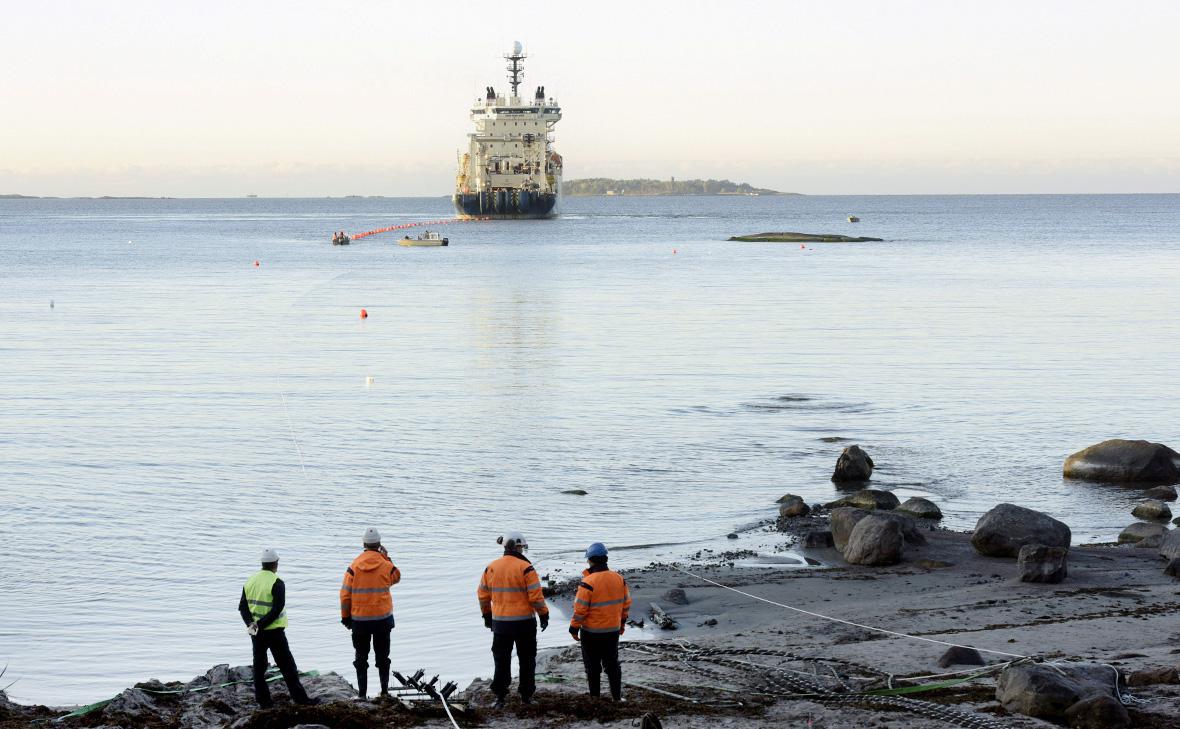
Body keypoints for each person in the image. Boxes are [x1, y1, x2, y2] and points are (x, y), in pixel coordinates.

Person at [238, 548, 319, 708]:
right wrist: (259, 624)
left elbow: (242, 607)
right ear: (275, 564)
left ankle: (264, 702)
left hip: (257, 633)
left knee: (259, 667)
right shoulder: (277, 582)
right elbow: (277, 609)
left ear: (263, 563)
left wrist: (251, 624)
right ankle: (301, 700)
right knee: (288, 666)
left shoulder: (250, 581)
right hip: (274, 632)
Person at [477, 530, 549, 708]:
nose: (522, 550)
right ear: (517, 547)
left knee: (501, 660)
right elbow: (536, 597)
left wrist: (487, 616)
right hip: (524, 624)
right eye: (521, 547)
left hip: (501, 624)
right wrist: (543, 615)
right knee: (527, 660)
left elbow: (482, 596)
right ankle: (526, 697)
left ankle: (500, 698)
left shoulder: (491, 567)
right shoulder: (526, 568)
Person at [340, 527, 401, 699]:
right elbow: (396, 577)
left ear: (364, 544)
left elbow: (345, 595)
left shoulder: (354, 566)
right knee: (383, 657)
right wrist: (386, 557)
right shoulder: (385, 564)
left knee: (361, 657)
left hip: (360, 621)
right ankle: (384, 692)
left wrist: (345, 618)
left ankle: (362, 694)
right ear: (379, 545)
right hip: (382, 620)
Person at [569, 542, 631, 701]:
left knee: (592, 667)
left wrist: (573, 629)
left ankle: (595, 698)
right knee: (612, 665)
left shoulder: (588, 582)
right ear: (606, 558)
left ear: (590, 560)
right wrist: (621, 625)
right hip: (612, 631)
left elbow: (580, 610)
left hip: (591, 633)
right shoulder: (619, 579)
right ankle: (617, 697)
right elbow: (626, 605)